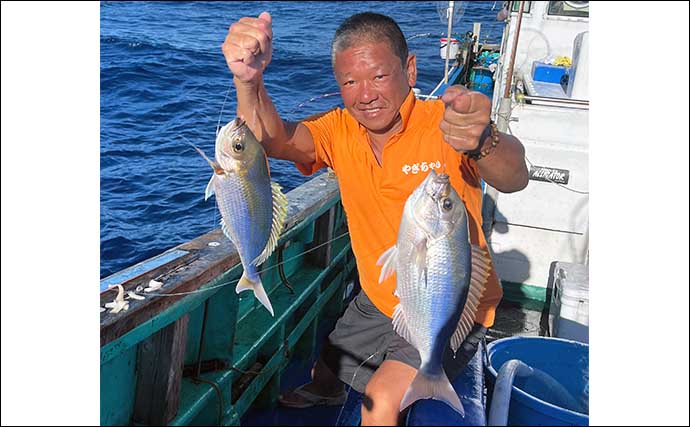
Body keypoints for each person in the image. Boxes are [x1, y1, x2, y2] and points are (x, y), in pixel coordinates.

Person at [222, 11, 528, 426]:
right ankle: (328, 386)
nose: (364, 95)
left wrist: (484, 140)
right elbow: (272, 140)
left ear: (410, 69)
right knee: (327, 364)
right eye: (350, 82)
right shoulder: (340, 129)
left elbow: (514, 176)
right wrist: (248, 79)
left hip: (447, 304)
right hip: (377, 297)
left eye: (379, 77)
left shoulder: (445, 125)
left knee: (380, 402)